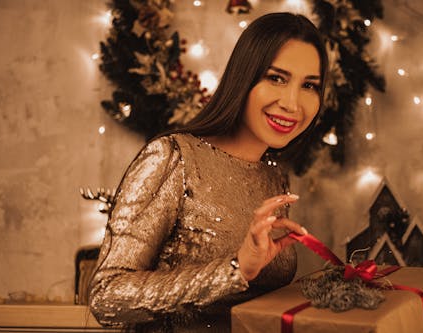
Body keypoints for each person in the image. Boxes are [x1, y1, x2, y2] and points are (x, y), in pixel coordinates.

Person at [89, 12, 328, 333]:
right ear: (245, 77)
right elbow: (107, 297)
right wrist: (234, 270)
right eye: (276, 78)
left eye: (309, 85)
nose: (292, 103)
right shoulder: (174, 157)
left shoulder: (273, 177)